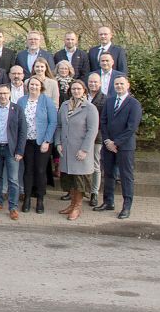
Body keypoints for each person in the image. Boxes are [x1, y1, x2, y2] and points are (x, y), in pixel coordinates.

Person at [96, 77, 142, 219]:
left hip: (125, 147)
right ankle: (108, 202)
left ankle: (126, 206)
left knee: (126, 176)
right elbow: (103, 122)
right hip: (108, 145)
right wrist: (108, 141)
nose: (119, 86)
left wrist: (116, 142)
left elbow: (132, 127)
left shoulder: (134, 104)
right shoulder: (109, 101)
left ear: (128, 85)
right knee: (108, 174)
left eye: (122, 83)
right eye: (116, 84)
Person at [55, 80, 99, 221]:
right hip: (66, 150)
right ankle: (72, 204)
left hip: (80, 150)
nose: (76, 91)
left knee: (79, 180)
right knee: (70, 179)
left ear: (84, 91)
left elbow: (92, 131)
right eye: (73, 89)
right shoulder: (64, 105)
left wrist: (84, 150)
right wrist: (58, 143)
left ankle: (77, 207)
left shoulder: (90, 108)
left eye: (79, 89)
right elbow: (59, 126)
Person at [0, 85, 26, 220]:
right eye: (0, 93)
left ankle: (13, 207)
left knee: (13, 180)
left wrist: (20, 150)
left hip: (12, 149)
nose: (2, 96)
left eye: (5, 93)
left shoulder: (17, 109)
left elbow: (22, 132)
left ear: (10, 94)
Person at [17, 77, 57, 214]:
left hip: (42, 143)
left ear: (41, 86)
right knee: (28, 170)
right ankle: (27, 198)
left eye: (36, 84)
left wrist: (47, 141)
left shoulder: (47, 101)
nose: (33, 86)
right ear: (27, 86)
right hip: (26, 141)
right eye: (31, 84)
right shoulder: (22, 101)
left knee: (40, 171)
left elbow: (53, 122)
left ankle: (40, 199)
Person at [86, 73, 106, 207]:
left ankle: (94, 193)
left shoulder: (104, 99)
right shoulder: (82, 95)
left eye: (95, 82)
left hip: (97, 136)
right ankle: (76, 191)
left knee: (95, 165)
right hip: (80, 136)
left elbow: (104, 120)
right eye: (91, 82)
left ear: (100, 84)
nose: (93, 84)